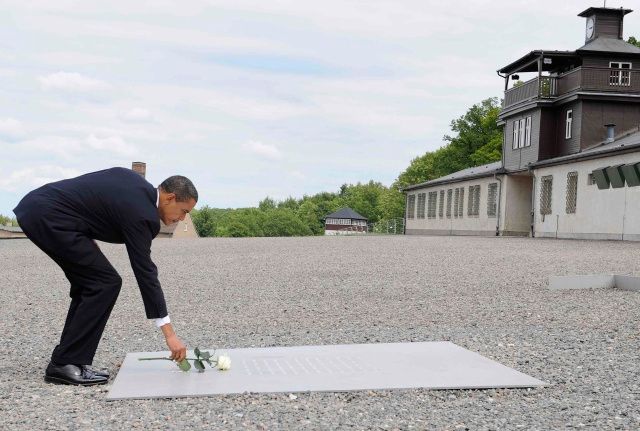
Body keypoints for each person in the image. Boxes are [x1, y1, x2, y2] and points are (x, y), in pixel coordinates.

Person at [13, 167, 197, 386]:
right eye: (184, 211)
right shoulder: (143, 214)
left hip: (39, 208)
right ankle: (65, 364)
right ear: (170, 198)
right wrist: (169, 334)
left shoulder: (135, 185)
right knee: (104, 283)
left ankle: (66, 359)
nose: (183, 218)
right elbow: (145, 273)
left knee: (92, 283)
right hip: (50, 216)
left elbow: (93, 201)